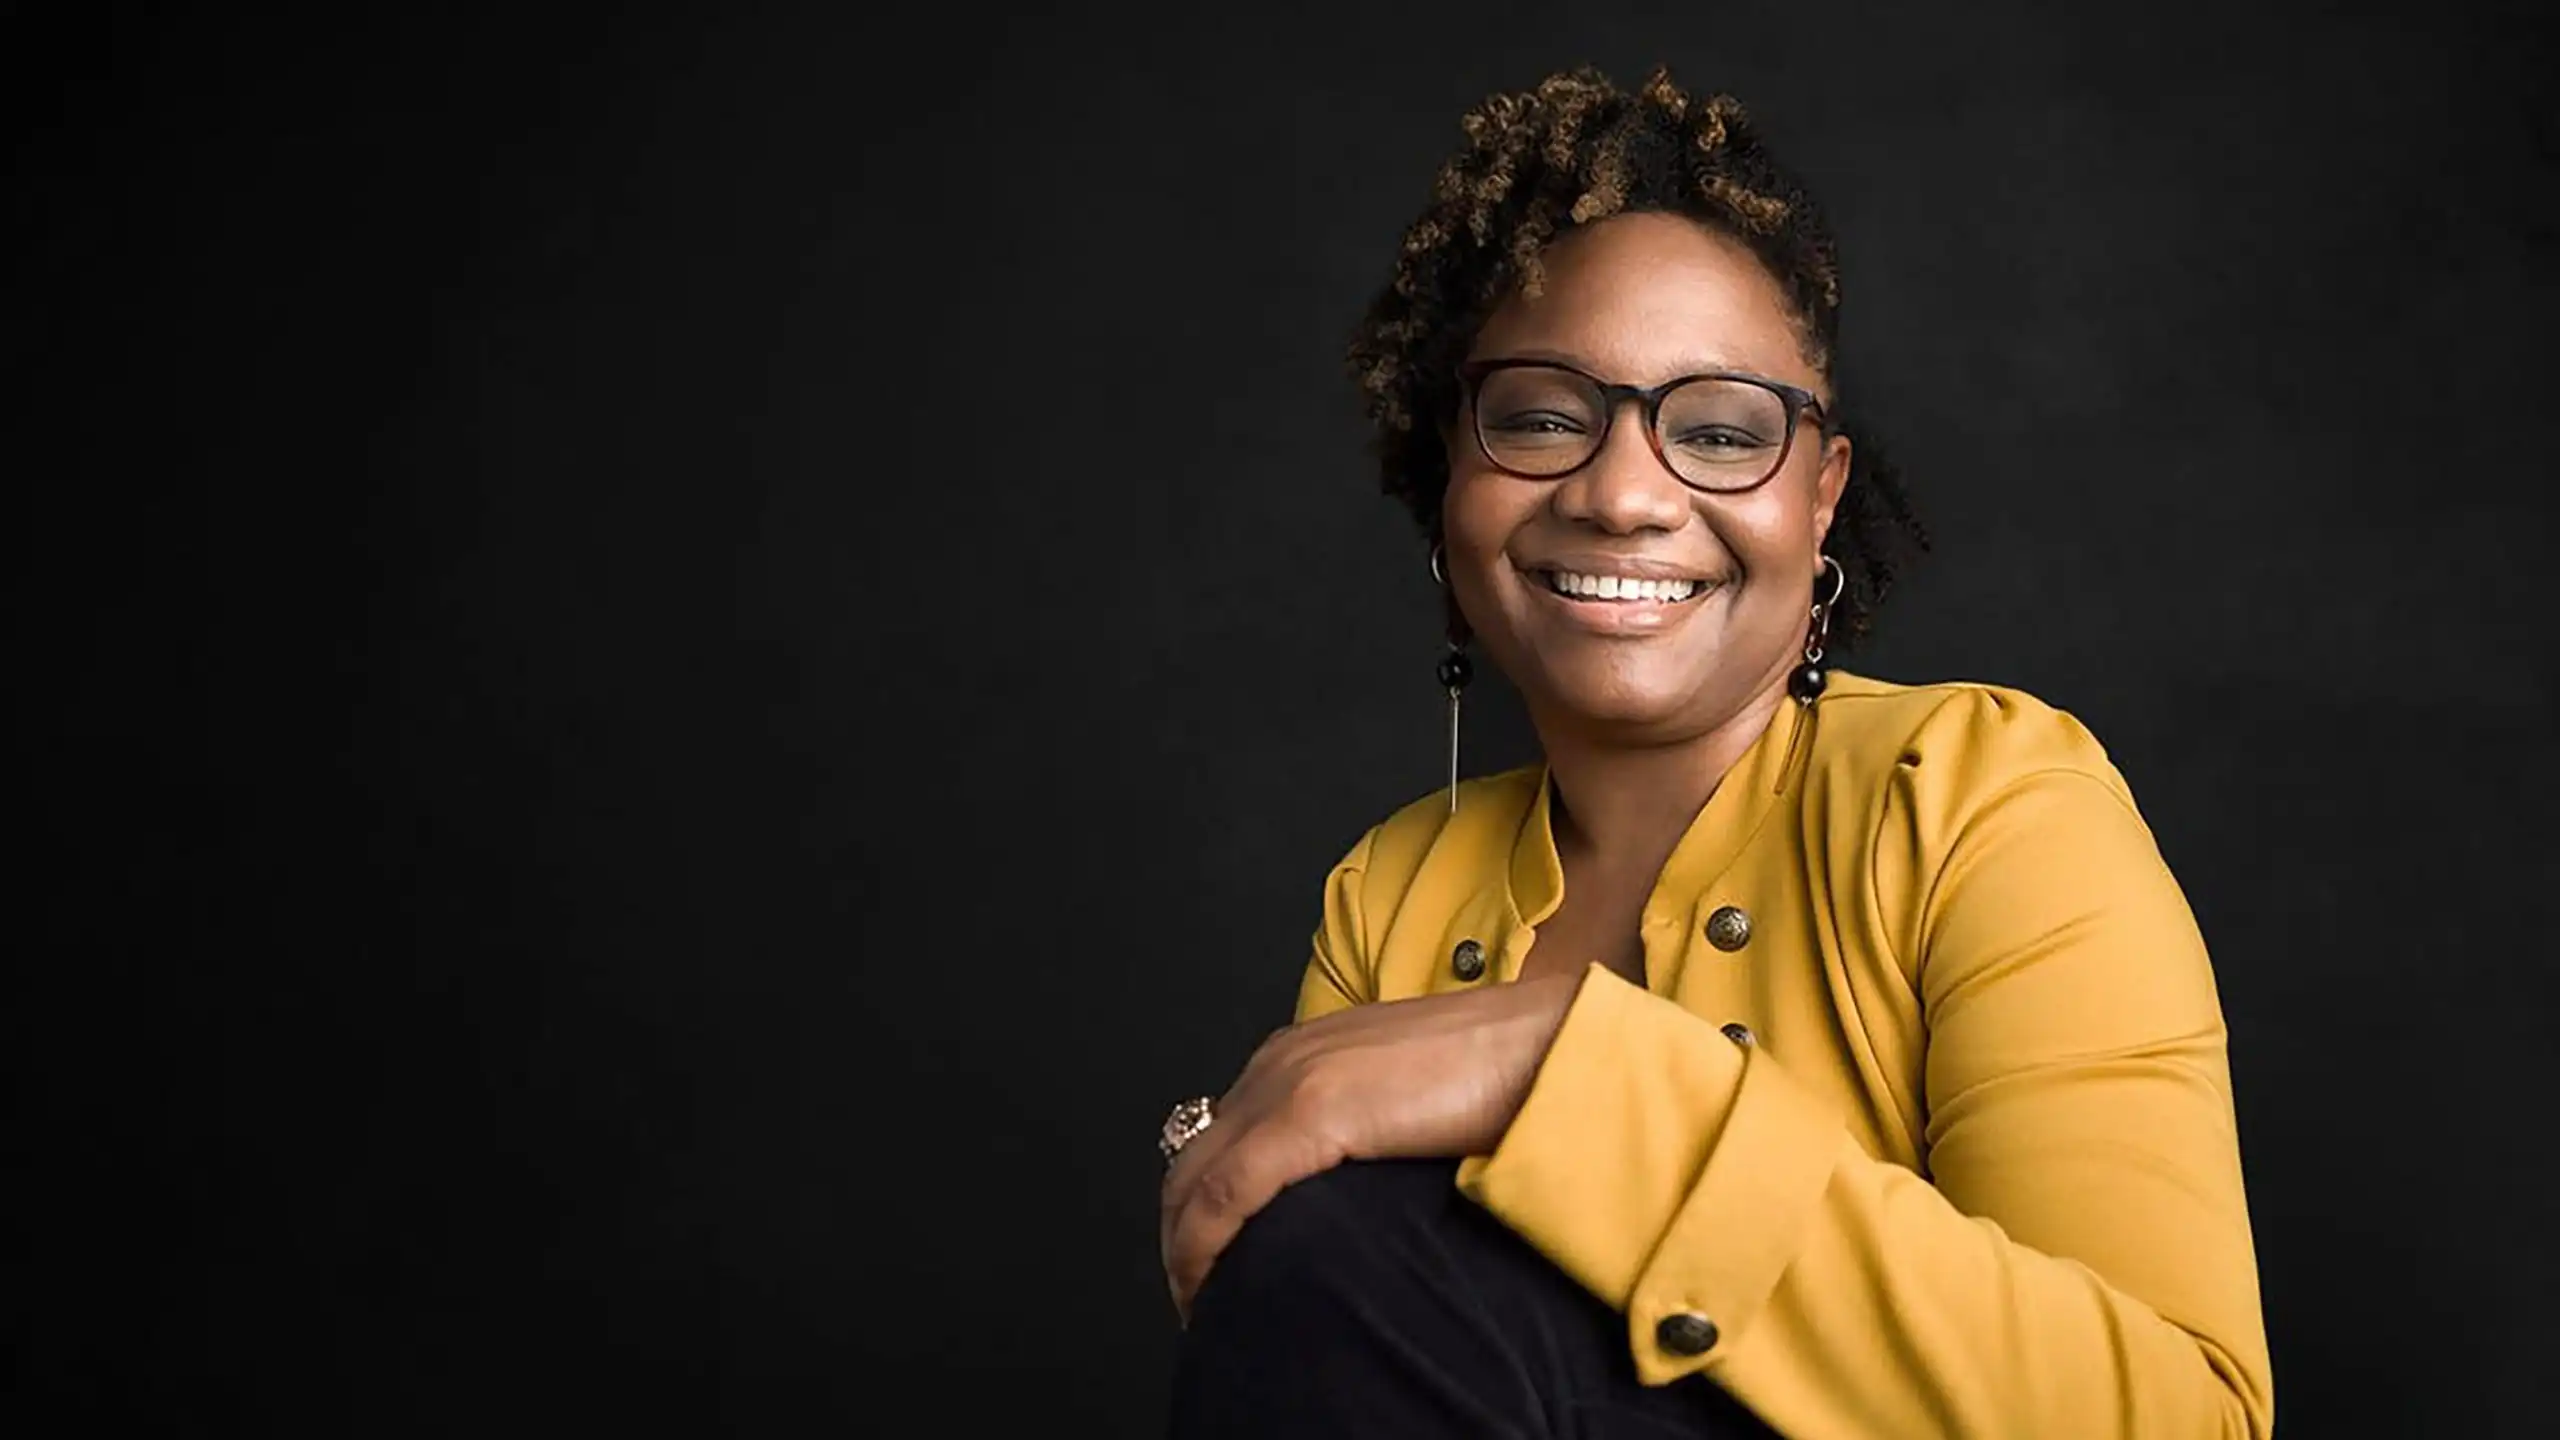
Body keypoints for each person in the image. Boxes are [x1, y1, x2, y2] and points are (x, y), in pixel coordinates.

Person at [1155, 65, 2273, 1440]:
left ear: (1820, 503)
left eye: (1723, 433)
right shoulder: (1392, 894)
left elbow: (2180, 1419)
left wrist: (1574, 1061)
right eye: (1546, 417)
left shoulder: (1984, 803)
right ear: (1447, 476)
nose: (1623, 492)